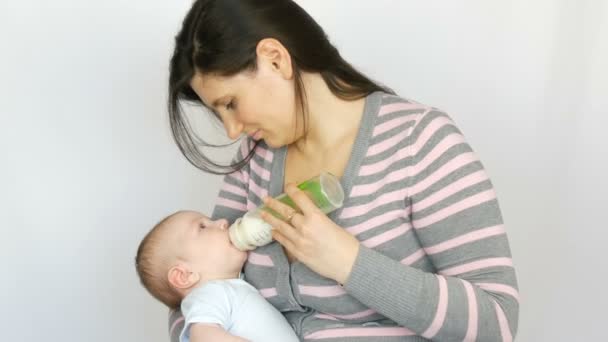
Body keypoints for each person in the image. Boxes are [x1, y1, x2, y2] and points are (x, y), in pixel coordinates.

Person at [166, 0, 520, 340]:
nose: (232, 130)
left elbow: (496, 322)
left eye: (230, 103)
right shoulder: (255, 159)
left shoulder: (419, 141)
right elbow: (193, 282)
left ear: (275, 60)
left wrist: (348, 262)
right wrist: (198, 331)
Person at [135, 211, 299, 342]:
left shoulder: (229, 288)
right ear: (185, 275)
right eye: (202, 227)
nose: (223, 222)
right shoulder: (209, 294)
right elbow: (202, 337)